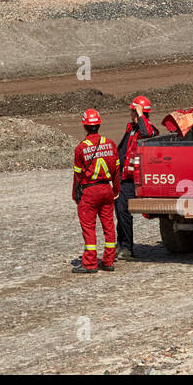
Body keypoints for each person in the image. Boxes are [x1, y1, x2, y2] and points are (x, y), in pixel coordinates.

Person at [72, 108, 119, 274]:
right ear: (98, 124)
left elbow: (77, 176)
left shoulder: (80, 149)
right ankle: (108, 261)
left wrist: (75, 196)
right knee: (109, 227)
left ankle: (90, 263)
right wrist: (116, 190)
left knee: (89, 228)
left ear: (85, 126)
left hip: (90, 192)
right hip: (107, 189)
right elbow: (116, 171)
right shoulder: (111, 143)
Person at [115, 95, 158, 260]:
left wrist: (140, 115)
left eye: (132, 111)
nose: (130, 113)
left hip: (133, 179)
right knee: (120, 212)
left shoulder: (148, 129)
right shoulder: (131, 128)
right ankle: (121, 244)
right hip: (123, 176)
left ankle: (126, 247)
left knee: (123, 211)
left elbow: (147, 133)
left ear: (138, 111)